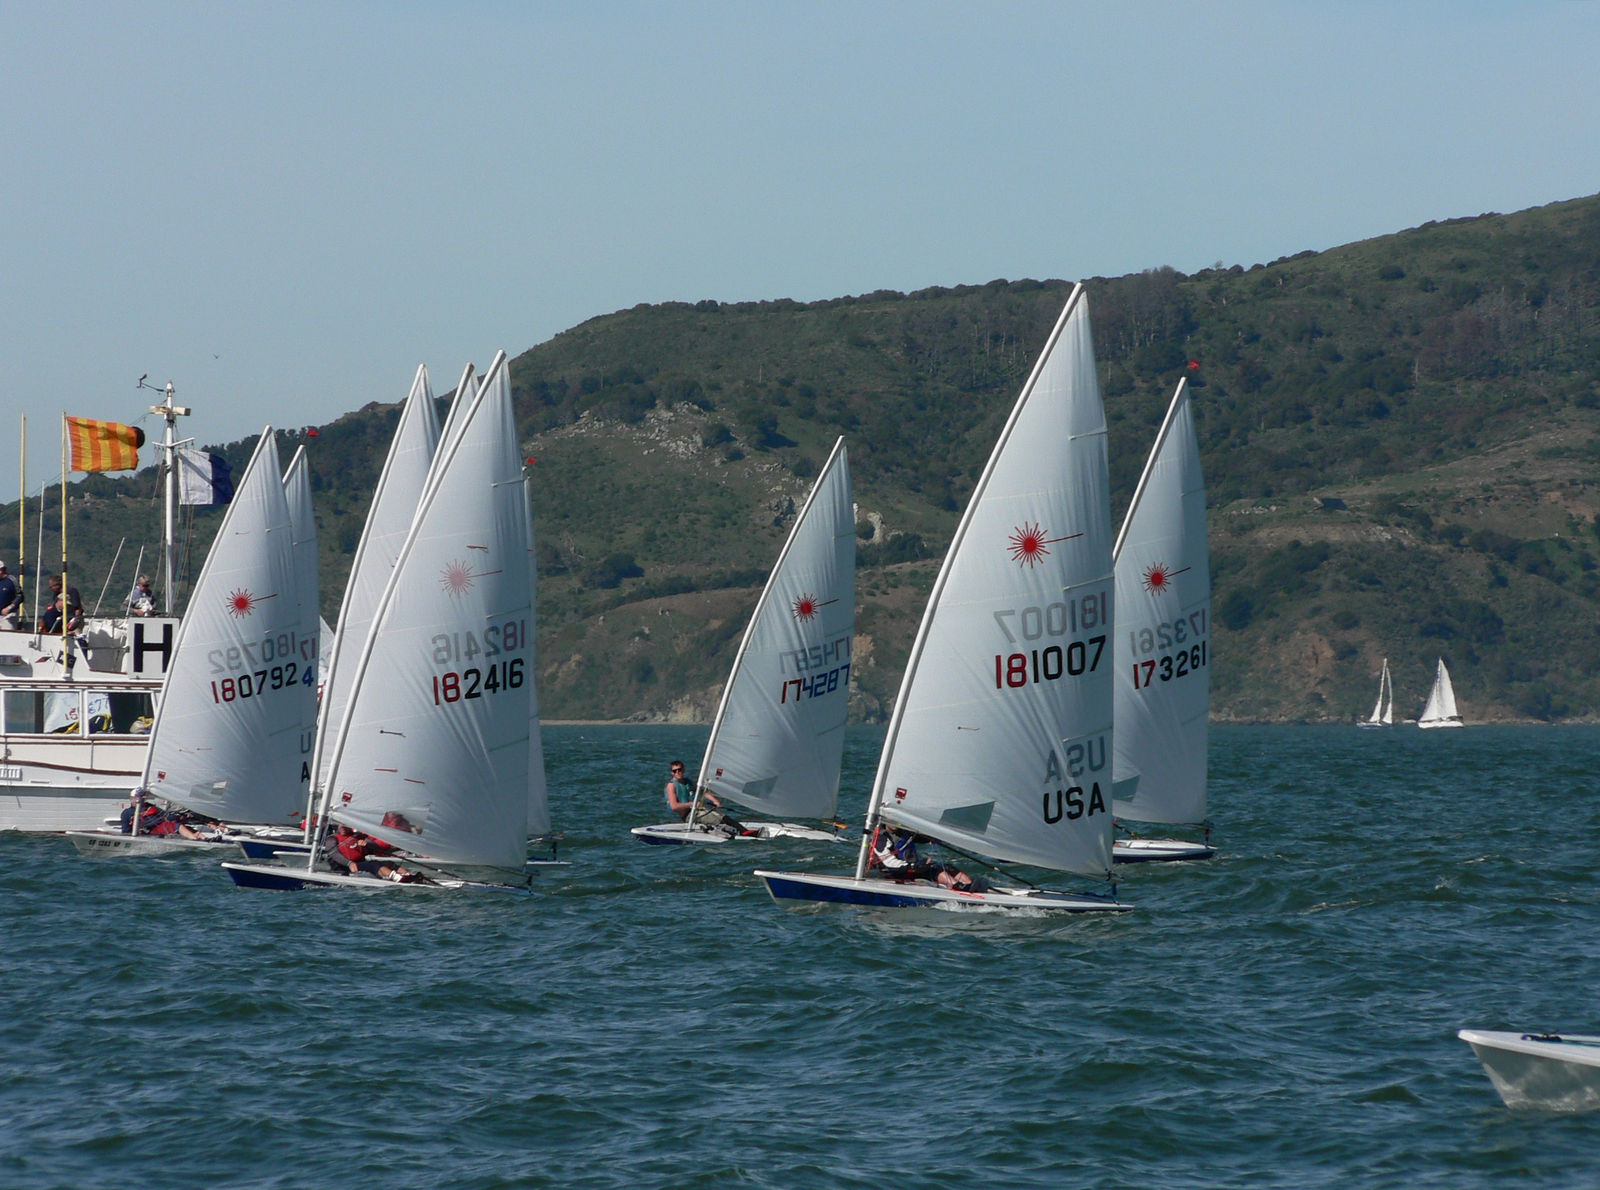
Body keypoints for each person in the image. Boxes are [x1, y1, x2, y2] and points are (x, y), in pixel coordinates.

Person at [868, 824, 984, 892]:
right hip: (894, 873)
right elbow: (890, 863)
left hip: (910, 869)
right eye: (891, 820)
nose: (895, 823)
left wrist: (933, 838)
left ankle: (969, 884)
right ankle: (957, 886)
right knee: (934, 869)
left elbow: (920, 838)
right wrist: (915, 866)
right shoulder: (880, 838)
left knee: (948, 868)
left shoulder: (903, 832)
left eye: (897, 820)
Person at [664, 760, 750, 836]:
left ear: (683, 770)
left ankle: (744, 831)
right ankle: (741, 832)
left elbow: (702, 792)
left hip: (696, 810)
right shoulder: (671, 785)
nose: (678, 772)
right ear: (672, 773)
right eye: (675, 771)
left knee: (722, 816)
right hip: (688, 816)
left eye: (679, 769)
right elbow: (674, 806)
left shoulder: (688, 782)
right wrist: (692, 804)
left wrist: (715, 801)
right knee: (717, 819)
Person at [0, 562, 19, 630]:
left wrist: (9, 608)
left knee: (8, 633)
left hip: (8, 616)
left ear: (2, 570)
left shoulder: (11, 580)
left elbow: (20, 596)